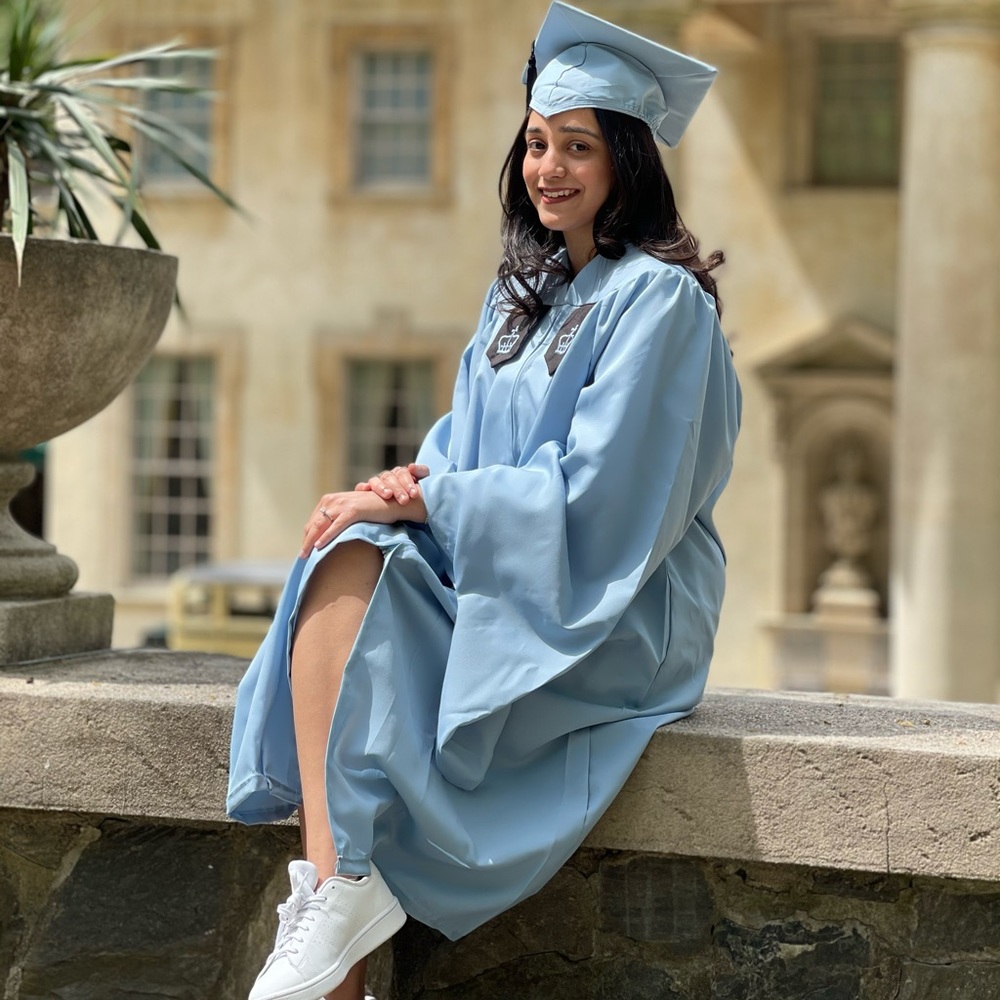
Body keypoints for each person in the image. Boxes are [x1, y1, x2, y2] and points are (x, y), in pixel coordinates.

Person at [227, 4, 741, 999]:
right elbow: (456, 447)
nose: (549, 167)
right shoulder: (522, 295)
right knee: (345, 552)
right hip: (497, 572)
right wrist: (399, 488)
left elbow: (604, 505)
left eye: (578, 147)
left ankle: (338, 901)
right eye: (537, 144)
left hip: (608, 603)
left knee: (377, 596)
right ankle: (337, 892)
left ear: (627, 159)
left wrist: (432, 503)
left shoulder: (660, 303)